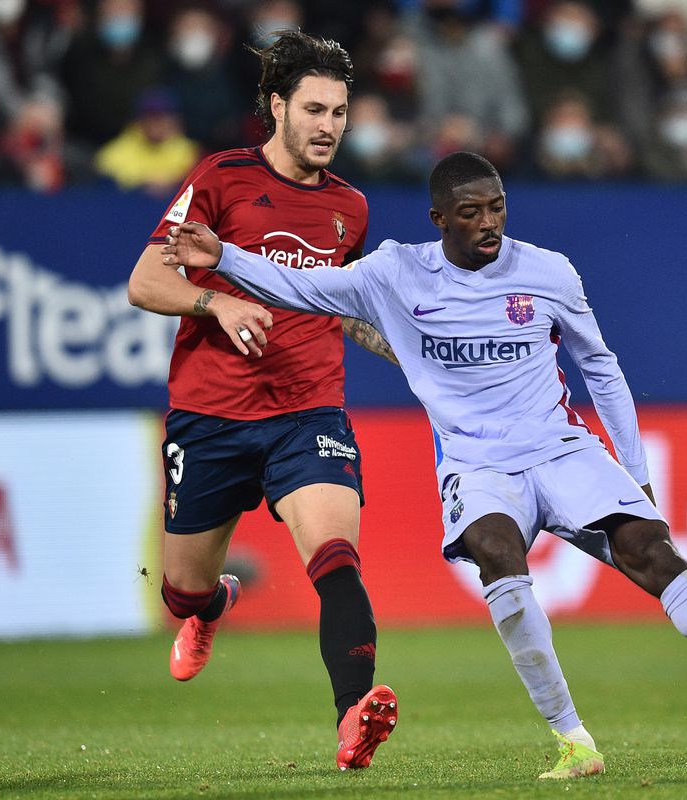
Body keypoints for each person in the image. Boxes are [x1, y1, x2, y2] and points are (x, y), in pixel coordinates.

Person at [159, 151, 687, 779]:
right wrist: (224, 256)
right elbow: (297, 286)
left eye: (497, 208)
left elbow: (601, 368)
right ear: (439, 219)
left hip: (559, 447)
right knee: (496, 553)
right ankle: (574, 741)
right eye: (471, 212)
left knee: (650, 548)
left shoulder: (549, 272)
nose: (488, 223)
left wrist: (636, 472)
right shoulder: (394, 274)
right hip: (477, 464)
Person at [126, 30, 399, 771]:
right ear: (277, 106)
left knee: (337, 557)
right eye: (314, 109)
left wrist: (403, 348)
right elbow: (145, 281)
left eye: (339, 112)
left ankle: (353, 718)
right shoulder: (221, 179)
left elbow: (343, 307)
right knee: (181, 589)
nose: (329, 126)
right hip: (210, 416)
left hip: (307, 412)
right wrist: (215, 302)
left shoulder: (350, 207)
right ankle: (212, 606)